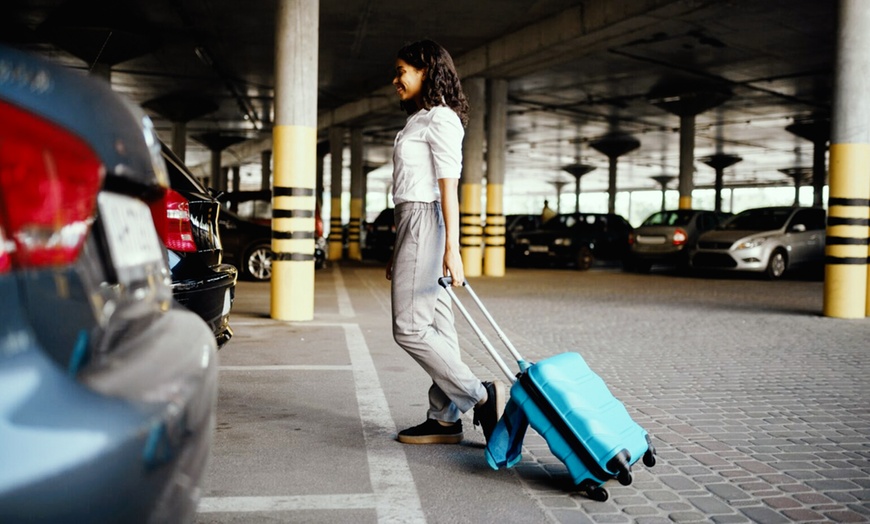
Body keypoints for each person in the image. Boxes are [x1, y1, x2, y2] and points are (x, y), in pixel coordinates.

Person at [386, 40, 503, 445]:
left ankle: (480, 396)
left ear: (426, 70)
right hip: (412, 223)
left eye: (403, 70)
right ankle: (444, 418)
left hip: (424, 222)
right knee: (437, 324)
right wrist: (397, 248)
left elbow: (446, 189)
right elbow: (408, 188)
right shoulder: (420, 119)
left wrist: (452, 248)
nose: (396, 78)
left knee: (409, 328)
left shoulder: (441, 120)